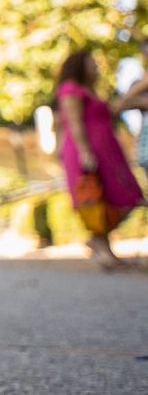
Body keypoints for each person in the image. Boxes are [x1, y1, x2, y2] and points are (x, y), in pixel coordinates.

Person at [54, 50, 147, 269]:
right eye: (91, 63)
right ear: (79, 66)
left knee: (128, 196)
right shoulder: (71, 89)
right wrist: (85, 152)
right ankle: (102, 247)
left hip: (107, 150)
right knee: (98, 197)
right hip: (87, 151)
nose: (96, 67)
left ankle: (101, 245)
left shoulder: (91, 91)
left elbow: (115, 109)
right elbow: (75, 123)